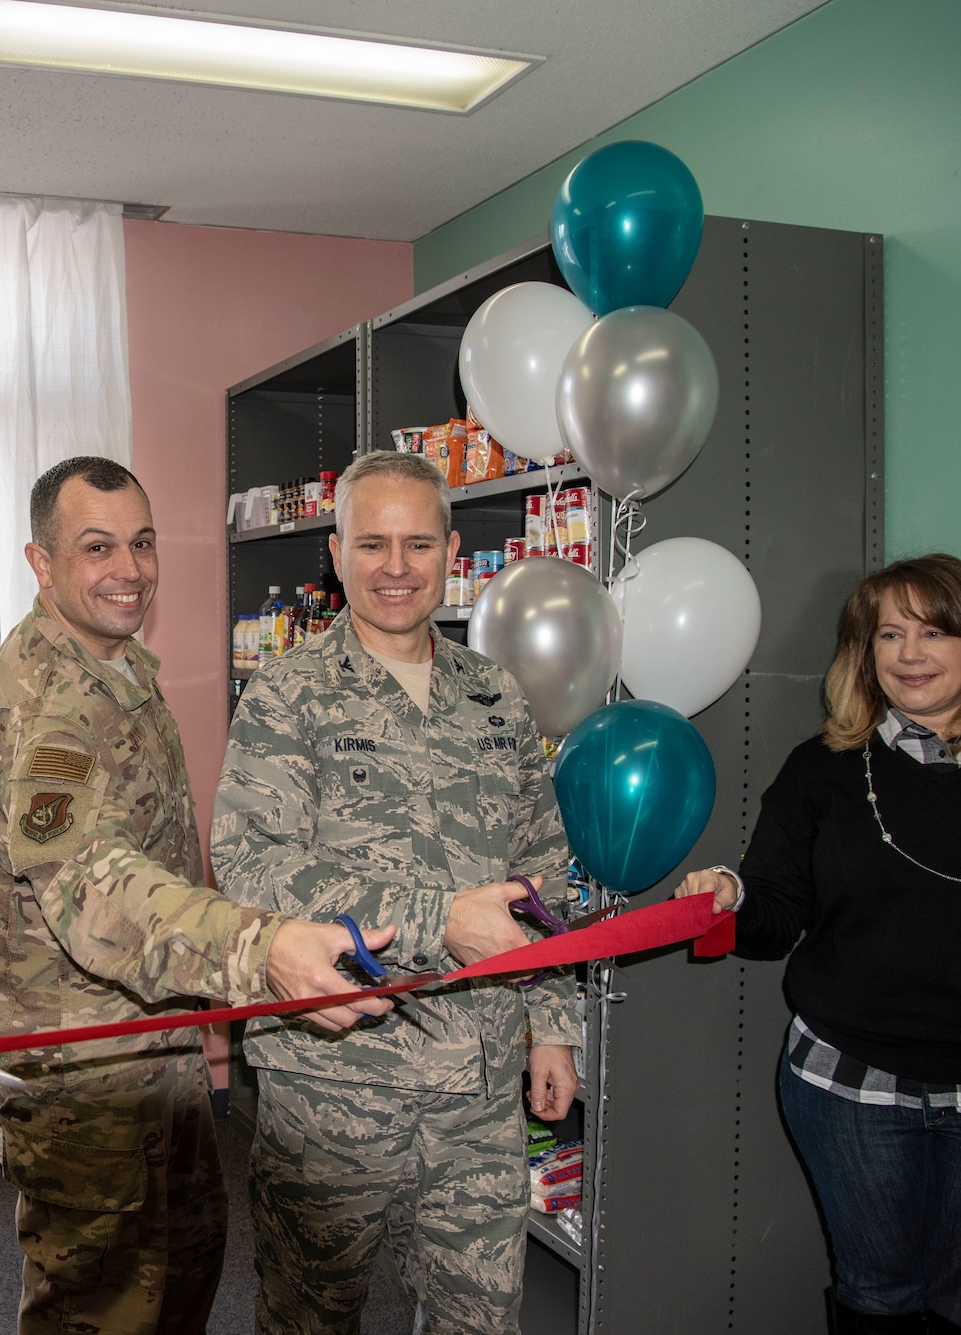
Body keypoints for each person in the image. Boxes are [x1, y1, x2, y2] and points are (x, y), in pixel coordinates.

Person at [0, 455, 399, 1335]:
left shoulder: (117, 664)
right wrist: (258, 948)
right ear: (41, 563)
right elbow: (92, 884)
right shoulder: (49, 703)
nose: (129, 569)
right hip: (85, 1068)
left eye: (142, 543)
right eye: (97, 547)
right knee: (100, 1307)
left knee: (182, 1274)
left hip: (154, 1040)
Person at [674, 554, 961, 1335]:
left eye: (934, 631)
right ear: (863, 654)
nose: (909, 654)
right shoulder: (821, 771)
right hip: (852, 1089)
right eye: (890, 634)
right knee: (875, 1298)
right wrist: (726, 899)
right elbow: (772, 922)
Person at [212, 449, 582, 1335]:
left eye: (418, 543)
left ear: (452, 550)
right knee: (310, 1319)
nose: (395, 567)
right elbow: (251, 864)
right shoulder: (286, 696)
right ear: (335, 554)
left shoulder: (494, 694)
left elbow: (544, 871)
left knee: (479, 1321)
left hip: (479, 1091)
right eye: (371, 543)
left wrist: (555, 1024)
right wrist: (436, 918)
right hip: (332, 1085)